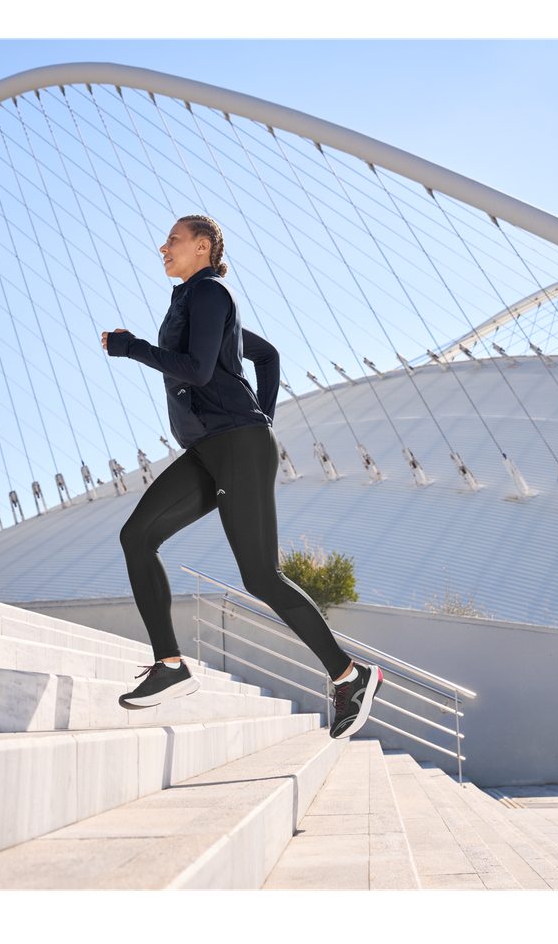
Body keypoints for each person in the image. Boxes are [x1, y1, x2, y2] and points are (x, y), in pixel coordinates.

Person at [101, 214, 381, 740]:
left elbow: (199, 370)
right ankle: (170, 665)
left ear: (203, 247)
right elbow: (267, 356)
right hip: (212, 448)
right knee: (137, 536)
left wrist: (132, 346)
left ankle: (350, 674)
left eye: (174, 240)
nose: (163, 248)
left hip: (237, 446)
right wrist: (262, 415)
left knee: (260, 575)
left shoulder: (210, 295)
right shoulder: (191, 301)